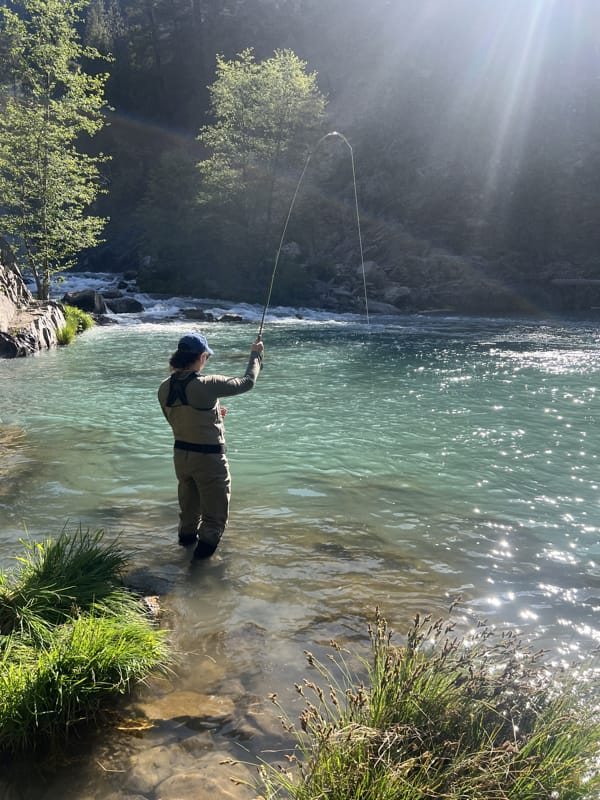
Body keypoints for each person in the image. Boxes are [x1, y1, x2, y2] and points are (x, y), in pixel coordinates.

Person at [158, 332, 264, 560]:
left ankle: (181, 556)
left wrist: (213, 415)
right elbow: (247, 382)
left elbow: (177, 420)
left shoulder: (163, 388)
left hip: (182, 458)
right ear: (201, 356)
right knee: (214, 520)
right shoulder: (207, 384)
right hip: (209, 460)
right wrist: (255, 355)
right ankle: (196, 575)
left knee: (189, 514)